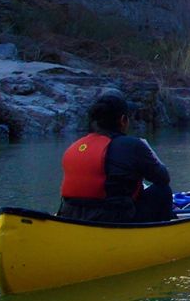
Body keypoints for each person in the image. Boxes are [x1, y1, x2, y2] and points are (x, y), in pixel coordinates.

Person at [58, 93, 175, 223]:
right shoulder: (132, 145)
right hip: (113, 219)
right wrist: (150, 153)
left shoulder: (75, 146)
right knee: (162, 191)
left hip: (71, 216)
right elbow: (163, 179)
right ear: (123, 120)